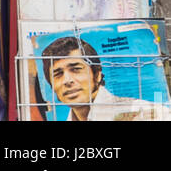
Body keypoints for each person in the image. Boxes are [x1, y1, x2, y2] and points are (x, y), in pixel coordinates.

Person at [41, 36, 171, 121]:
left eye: (76, 69)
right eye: (58, 74)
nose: (67, 80)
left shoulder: (146, 113)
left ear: (97, 75)